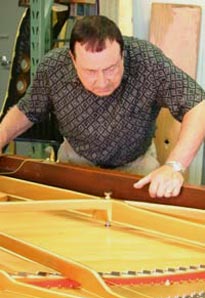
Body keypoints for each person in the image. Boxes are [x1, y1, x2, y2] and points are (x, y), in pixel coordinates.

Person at [0, 15, 205, 199]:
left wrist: (174, 166)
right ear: (72, 59)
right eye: (90, 71)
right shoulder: (54, 67)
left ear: (123, 54)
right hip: (74, 162)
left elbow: (198, 105)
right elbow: (27, 110)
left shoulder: (147, 61)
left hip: (136, 164)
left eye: (111, 68)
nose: (102, 81)